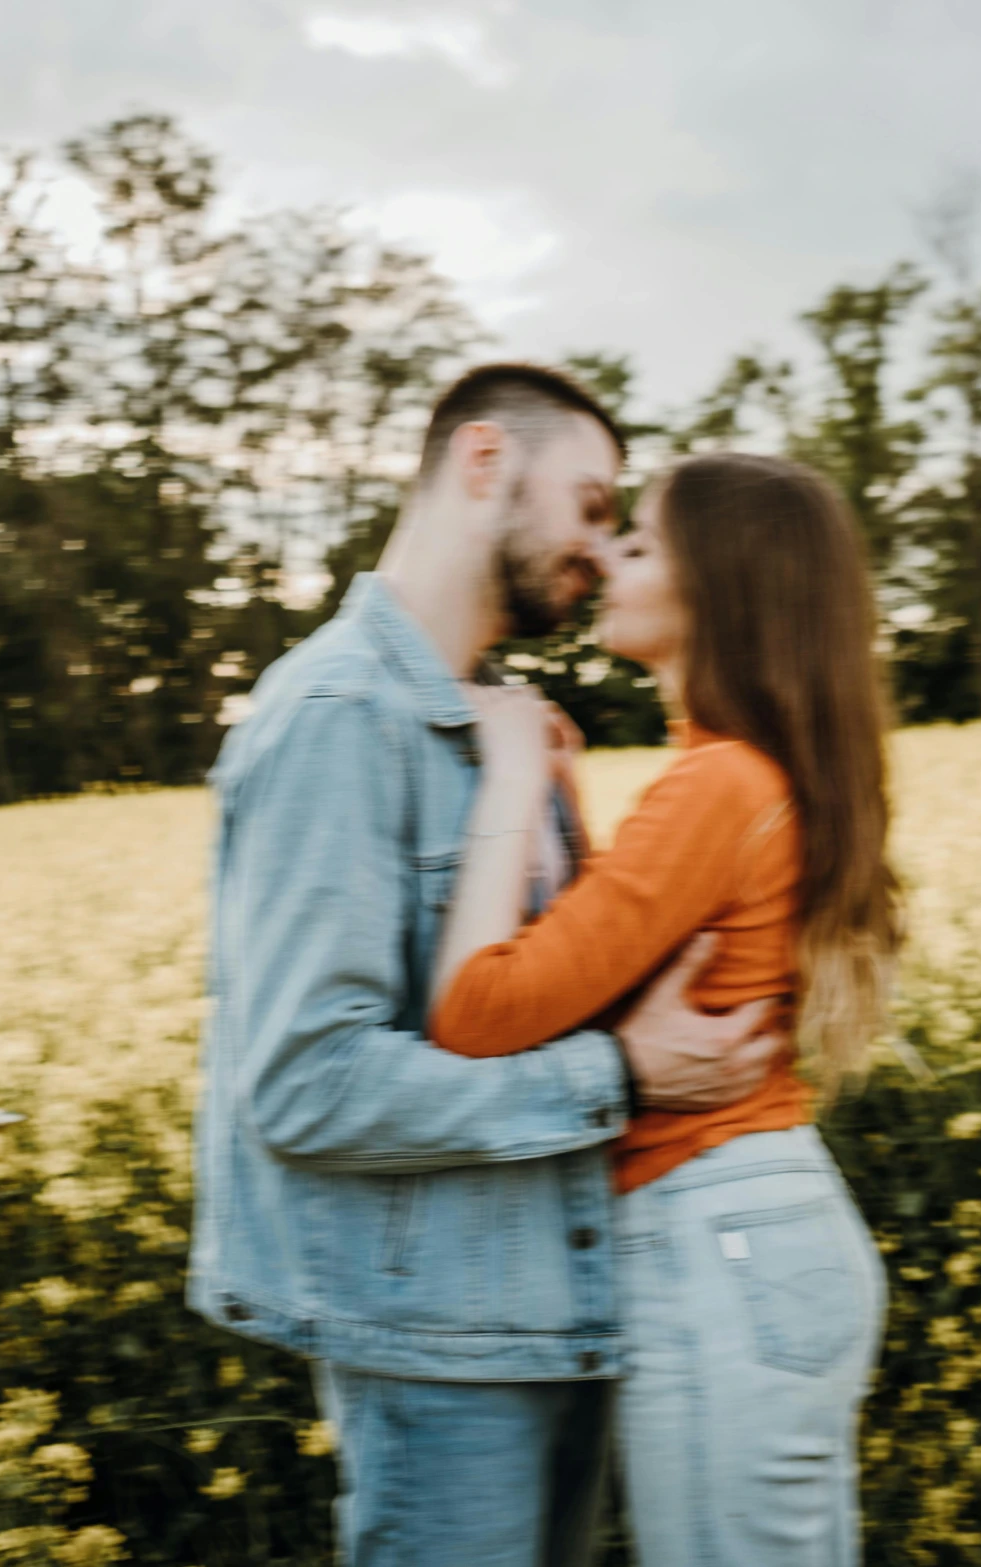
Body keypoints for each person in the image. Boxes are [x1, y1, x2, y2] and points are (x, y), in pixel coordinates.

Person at [187, 364, 784, 1567]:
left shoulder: (492, 725)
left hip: (542, 1323)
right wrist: (619, 1075)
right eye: (591, 503)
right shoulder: (341, 716)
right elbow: (309, 1085)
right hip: (435, 1352)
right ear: (482, 464)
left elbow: (525, 1002)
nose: (601, 546)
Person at [430, 452, 900, 1565]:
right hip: (756, 1230)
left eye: (638, 541)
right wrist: (562, 797)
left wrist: (504, 777)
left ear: (717, 589)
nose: (605, 558)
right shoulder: (739, 778)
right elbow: (622, 963)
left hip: (719, 1243)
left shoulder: (716, 784)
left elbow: (476, 1012)